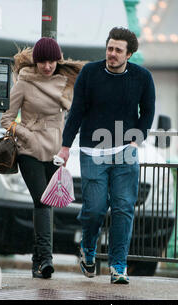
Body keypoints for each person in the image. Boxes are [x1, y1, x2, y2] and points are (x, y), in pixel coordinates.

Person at [57, 27, 155, 284]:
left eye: (118, 50)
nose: (112, 54)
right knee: (95, 209)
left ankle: (118, 266)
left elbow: (147, 112)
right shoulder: (89, 73)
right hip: (93, 151)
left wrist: (136, 141)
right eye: (110, 48)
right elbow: (76, 111)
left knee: (123, 208)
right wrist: (66, 146)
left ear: (129, 54)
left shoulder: (142, 78)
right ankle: (88, 249)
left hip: (125, 150)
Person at [1, 37, 85, 279]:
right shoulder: (25, 83)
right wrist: (27, 135)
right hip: (29, 151)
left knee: (48, 202)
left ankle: (38, 262)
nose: (47, 66)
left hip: (55, 153)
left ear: (58, 61)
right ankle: (46, 260)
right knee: (42, 201)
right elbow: (7, 119)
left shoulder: (67, 83)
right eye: (42, 62)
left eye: (51, 62)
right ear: (35, 62)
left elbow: (77, 114)